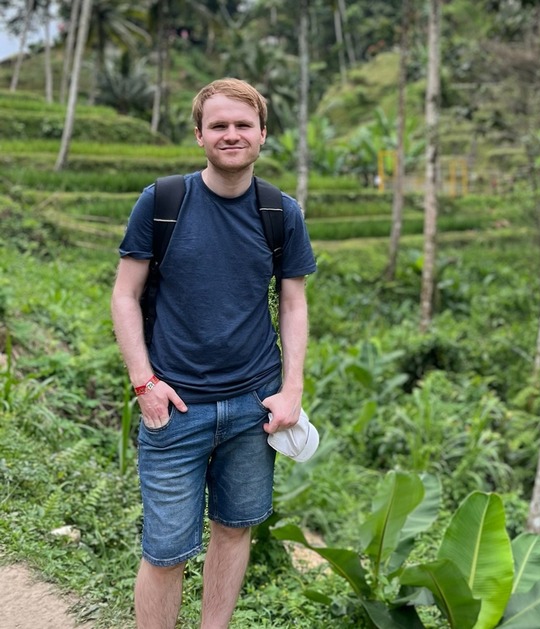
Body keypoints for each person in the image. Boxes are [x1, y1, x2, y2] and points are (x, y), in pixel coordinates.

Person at [110, 78, 317, 629]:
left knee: (234, 528)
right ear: (199, 134)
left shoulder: (281, 211)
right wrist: (143, 383)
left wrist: (291, 389)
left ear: (263, 134)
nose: (232, 134)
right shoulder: (163, 202)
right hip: (175, 407)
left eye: (243, 125)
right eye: (219, 125)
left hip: (253, 407)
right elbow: (125, 295)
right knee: (166, 551)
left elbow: (293, 303)